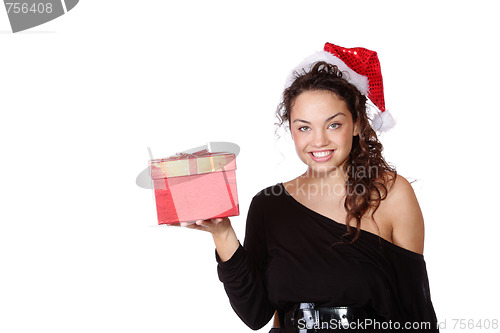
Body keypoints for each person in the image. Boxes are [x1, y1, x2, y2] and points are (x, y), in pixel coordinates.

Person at [185, 43, 439, 332]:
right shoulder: (269, 204)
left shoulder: (391, 194)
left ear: (356, 124)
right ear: (291, 130)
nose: (318, 142)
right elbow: (255, 314)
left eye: (333, 125)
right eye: (304, 127)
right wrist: (222, 232)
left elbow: (416, 311)